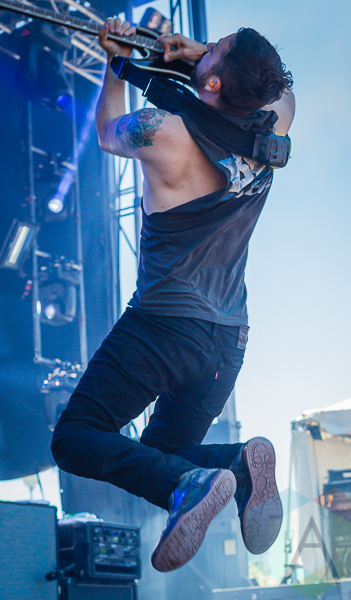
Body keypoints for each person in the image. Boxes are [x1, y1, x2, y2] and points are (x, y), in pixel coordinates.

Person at [51, 18, 295, 573]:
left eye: (215, 50)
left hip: (162, 326)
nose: (204, 49)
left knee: (75, 437)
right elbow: (277, 92)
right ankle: (236, 465)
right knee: (158, 455)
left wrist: (115, 64)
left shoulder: (164, 131)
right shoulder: (275, 130)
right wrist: (198, 59)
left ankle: (191, 484)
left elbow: (107, 131)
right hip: (227, 341)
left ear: (213, 83)